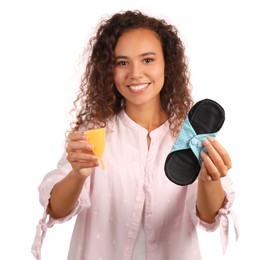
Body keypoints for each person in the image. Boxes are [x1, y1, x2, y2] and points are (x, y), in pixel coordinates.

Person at [31, 10, 238, 260]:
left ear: (167, 64)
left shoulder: (189, 136)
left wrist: (210, 179)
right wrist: (77, 174)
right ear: (109, 70)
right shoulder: (95, 133)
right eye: (122, 62)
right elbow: (56, 209)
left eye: (148, 60)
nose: (135, 73)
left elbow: (208, 216)